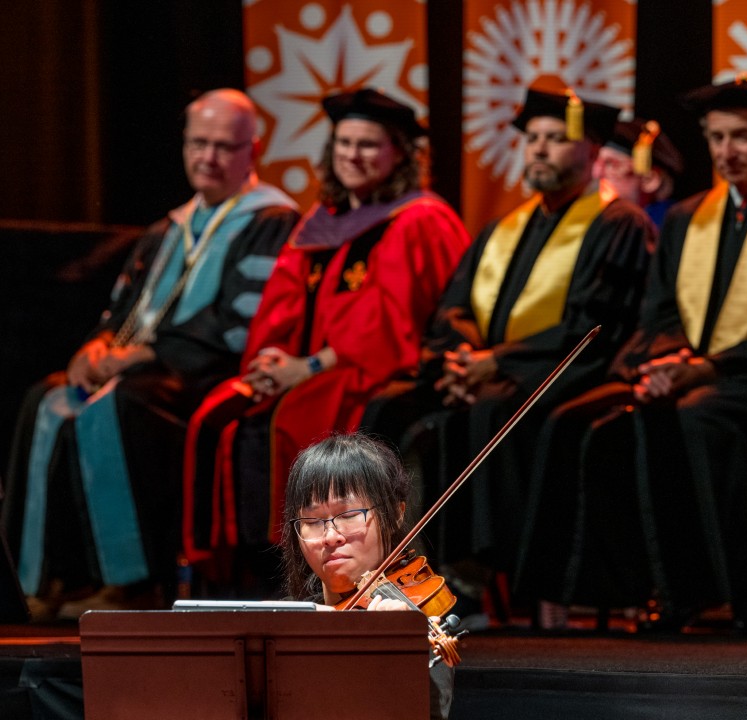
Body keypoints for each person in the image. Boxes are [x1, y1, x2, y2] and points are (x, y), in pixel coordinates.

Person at [514, 74, 747, 631]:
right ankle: (650, 593)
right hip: (696, 376)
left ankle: (740, 597)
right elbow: (659, 315)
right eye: (716, 137)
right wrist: (662, 363)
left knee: (697, 413)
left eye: (742, 136)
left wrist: (704, 369)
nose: (727, 151)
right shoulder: (687, 218)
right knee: (592, 419)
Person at [360, 77, 655, 616]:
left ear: (591, 150)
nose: (539, 147)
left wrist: (494, 364)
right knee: (389, 404)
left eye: (554, 137)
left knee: (490, 410)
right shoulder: (504, 227)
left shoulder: (619, 225)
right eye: (531, 137)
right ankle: (387, 573)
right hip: (485, 374)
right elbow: (455, 308)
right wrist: (459, 360)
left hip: (551, 378)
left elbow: (596, 325)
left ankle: (474, 581)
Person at [2, 89, 300, 617]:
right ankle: (48, 579)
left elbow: (239, 322)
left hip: (205, 375)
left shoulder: (270, 222)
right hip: (143, 368)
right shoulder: (170, 226)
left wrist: (142, 357)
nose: (207, 157)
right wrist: (98, 346)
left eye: (223, 147)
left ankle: (132, 583)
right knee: (47, 399)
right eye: (198, 143)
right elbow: (123, 310)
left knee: (120, 405)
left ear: (251, 151)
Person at [181, 88, 471, 589]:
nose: (351, 157)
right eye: (343, 144)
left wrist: (311, 366)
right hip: (309, 366)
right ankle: (229, 579)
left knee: (285, 422)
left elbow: (391, 324)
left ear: (398, 152)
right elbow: (285, 300)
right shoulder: (325, 221)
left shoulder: (420, 219)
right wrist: (274, 356)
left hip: (368, 373)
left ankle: (295, 574)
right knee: (224, 415)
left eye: (366, 145)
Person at [280, 432, 454, 719]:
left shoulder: (410, 618)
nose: (330, 536)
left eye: (348, 515)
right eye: (312, 521)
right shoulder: (287, 620)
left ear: (396, 514)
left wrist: (403, 644)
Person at [593, 118, 684, 228]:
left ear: (649, 180)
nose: (597, 173)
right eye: (596, 161)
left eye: (612, 164)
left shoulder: (666, 229)